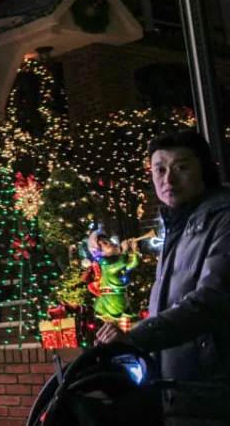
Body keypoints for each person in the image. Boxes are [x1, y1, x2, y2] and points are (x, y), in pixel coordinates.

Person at [97, 131, 230, 424]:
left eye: (181, 167)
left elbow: (212, 300)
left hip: (212, 394)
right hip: (181, 393)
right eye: (160, 169)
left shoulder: (222, 220)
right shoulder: (179, 225)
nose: (168, 180)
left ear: (205, 170)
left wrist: (136, 337)